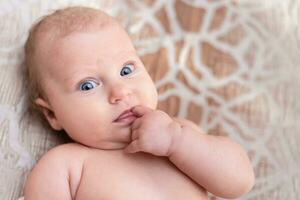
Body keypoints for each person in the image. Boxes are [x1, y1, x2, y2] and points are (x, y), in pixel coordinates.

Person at [23, 6, 255, 199]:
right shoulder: (65, 167)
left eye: (126, 70)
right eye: (88, 85)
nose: (121, 92)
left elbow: (240, 182)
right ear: (52, 114)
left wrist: (176, 141)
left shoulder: (180, 135)